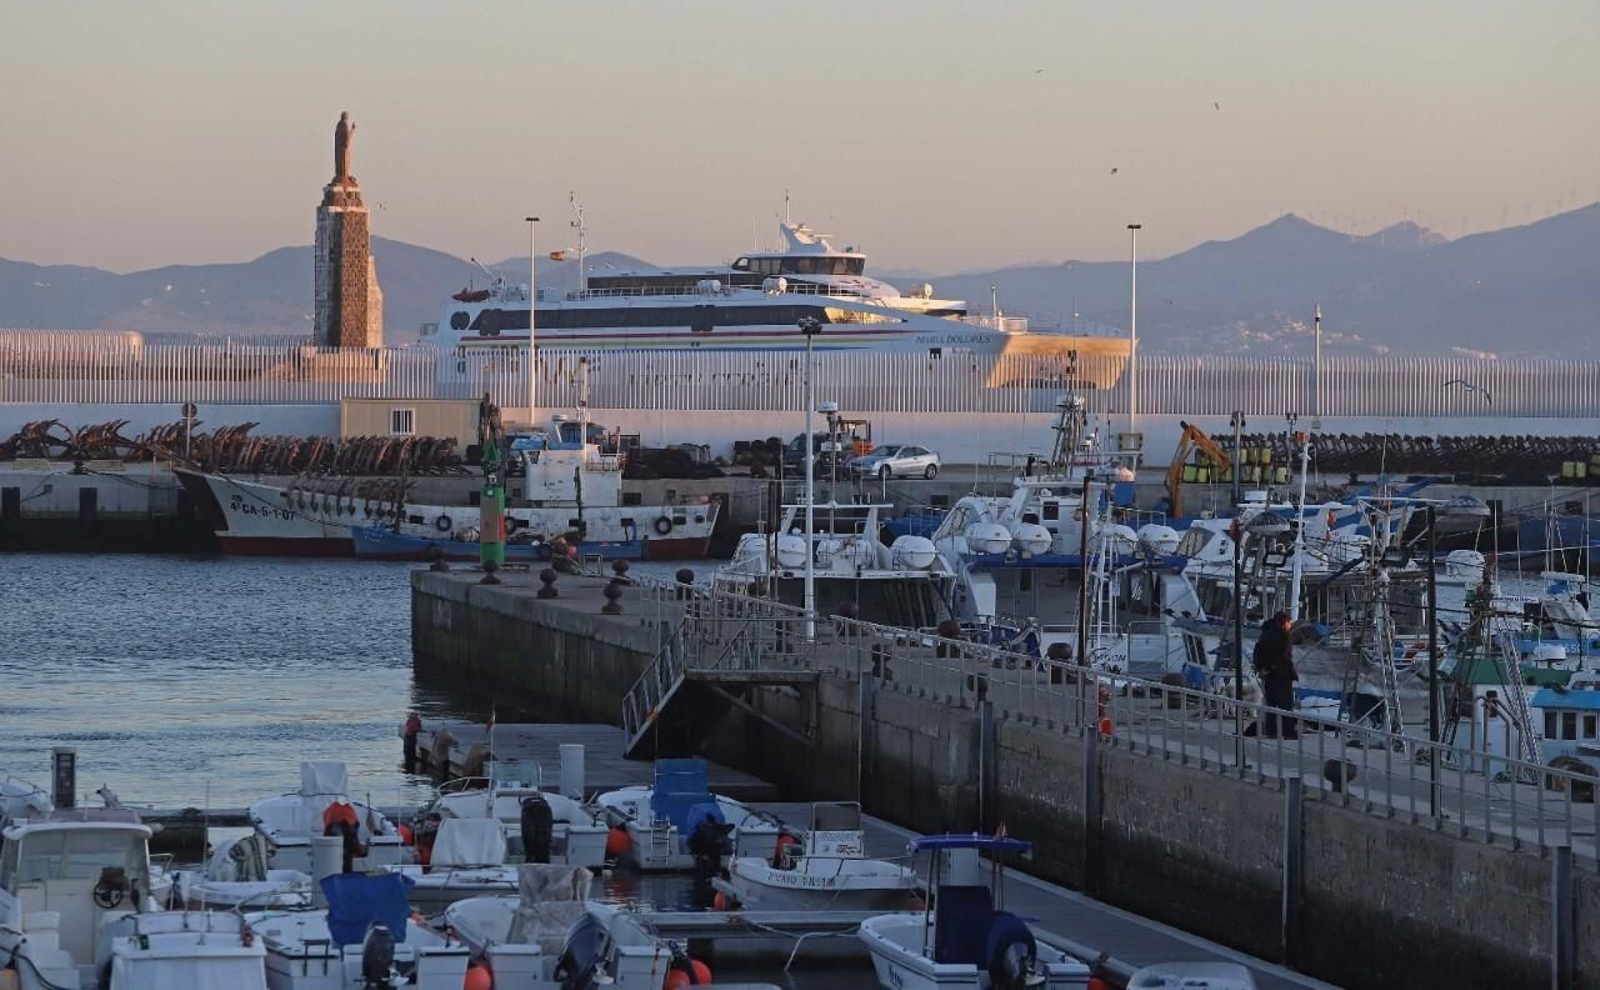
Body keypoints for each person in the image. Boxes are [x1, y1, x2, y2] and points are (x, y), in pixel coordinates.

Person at [1252, 611, 1298, 739]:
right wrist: (1273, 666)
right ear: (1284, 622)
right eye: (1289, 622)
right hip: (1281, 674)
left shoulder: (1265, 634)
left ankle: (1271, 730)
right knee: (1286, 703)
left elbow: (1258, 651)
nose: (1290, 625)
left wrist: (1262, 668)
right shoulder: (1284, 635)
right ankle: (1288, 731)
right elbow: (1282, 655)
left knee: (1272, 702)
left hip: (1268, 675)